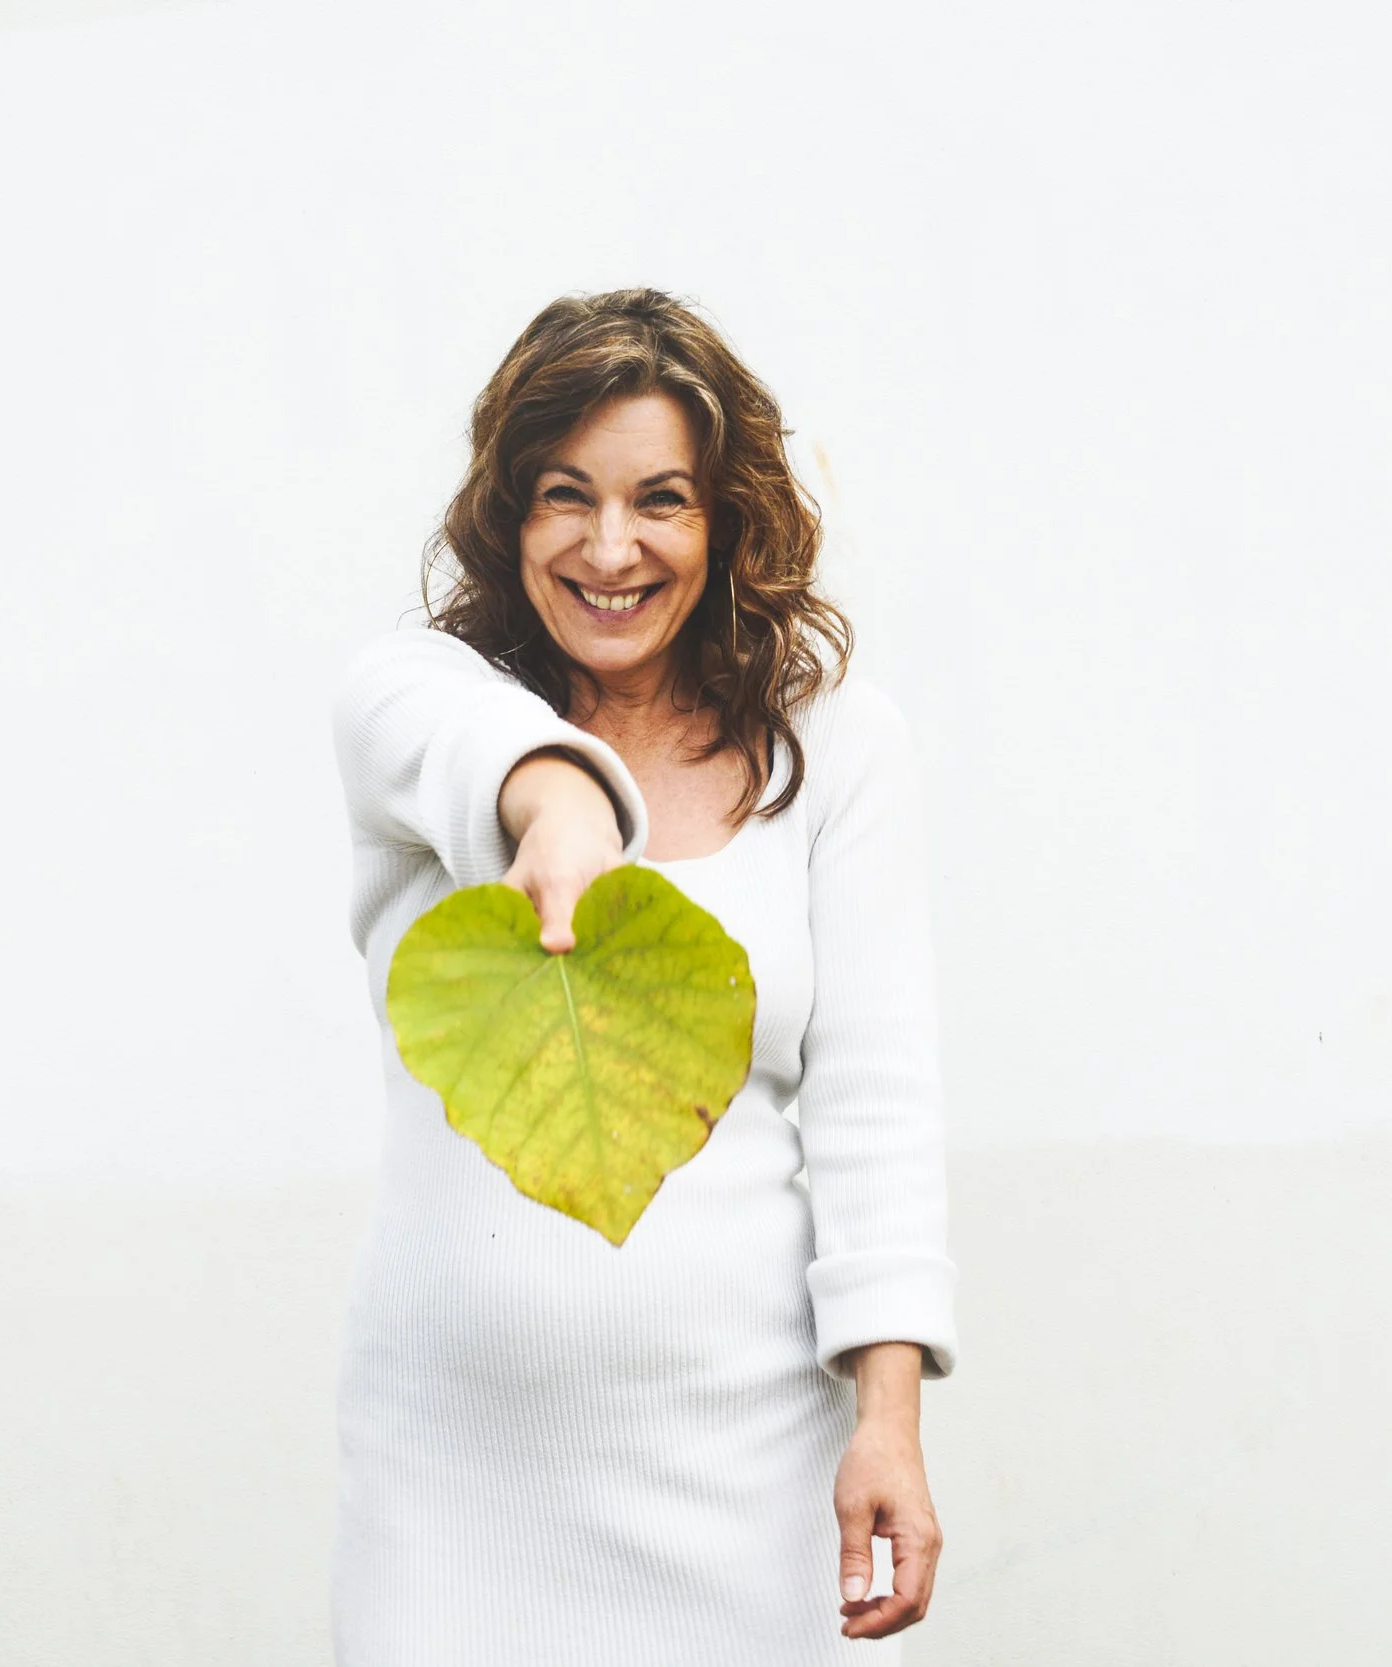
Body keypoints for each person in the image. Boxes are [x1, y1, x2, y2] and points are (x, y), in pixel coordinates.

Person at [326, 288, 955, 1664]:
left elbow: (875, 1108)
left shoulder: (836, 748)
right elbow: (430, 730)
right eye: (567, 497)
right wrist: (557, 808)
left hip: (750, 1485)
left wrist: (889, 1421)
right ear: (511, 516)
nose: (612, 547)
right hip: (453, 1490)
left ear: (725, 519)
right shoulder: (421, 703)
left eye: (659, 499)